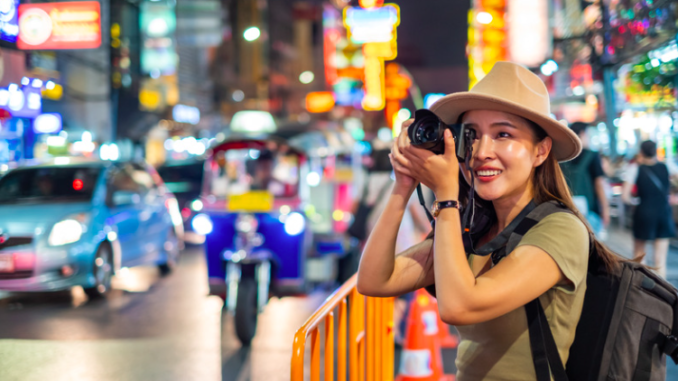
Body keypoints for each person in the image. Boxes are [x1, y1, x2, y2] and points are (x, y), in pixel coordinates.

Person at [356, 62, 624, 380]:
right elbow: (374, 280)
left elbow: (460, 306)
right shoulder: (474, 228)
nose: (482, 152)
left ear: (540, 151)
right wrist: (403, 185)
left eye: (502, 135)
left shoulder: (560, 229)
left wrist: (446, 196)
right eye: (472, 136)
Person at [622, 140, 675, 278]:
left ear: (641, 152)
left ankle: (642, 293)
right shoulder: (666, 166)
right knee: (660, 260)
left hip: (644, 212)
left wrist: (635, 203)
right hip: (663, 212)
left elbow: (625, 196)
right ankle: (663, 295)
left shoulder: (635, 168)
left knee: (640, 257)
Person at [560, 122, 610, 236]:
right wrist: (605, 209)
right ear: (582, 134)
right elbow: (599, 183)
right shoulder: (592, 155)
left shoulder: (562, 156)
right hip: (590, 210)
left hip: (566, 209)